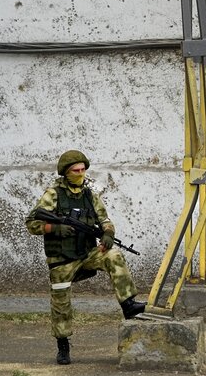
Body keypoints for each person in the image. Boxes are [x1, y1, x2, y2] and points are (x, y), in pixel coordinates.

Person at [26, 149, 146, 365]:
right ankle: (63, 345)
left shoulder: (90, 195)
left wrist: (108, 234)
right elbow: (31, 223)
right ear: (66, 172)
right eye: (76, 170)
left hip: (87, 253)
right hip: (61, 259)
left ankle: (128, 304)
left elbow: (105, 219)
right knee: (61, 303)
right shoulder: (53, 194)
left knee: (114, 254)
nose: (80, 173)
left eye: (83, 169)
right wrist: (54, 228)